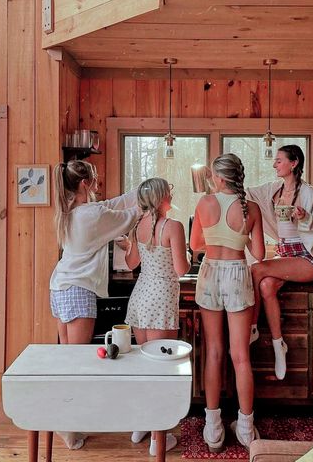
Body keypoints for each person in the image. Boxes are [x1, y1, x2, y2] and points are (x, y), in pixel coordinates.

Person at [50, 160, 140, 449]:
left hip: (60, 288)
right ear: (85, 184)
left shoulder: (71, 212)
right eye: (95, 180)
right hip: (78, 291)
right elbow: (128, 216)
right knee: (77, 365)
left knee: (67, 361)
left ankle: (69, 423)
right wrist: (150, 197)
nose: (98, 184)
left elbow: (115, 204)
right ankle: (66, 424)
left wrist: (140, 189)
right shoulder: (93, 214)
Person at [190, 153, 265, 452]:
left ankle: (213, 429)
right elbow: (258, 253)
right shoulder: (252, 209)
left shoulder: (204, 204)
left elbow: (195, 245)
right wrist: (240, 237)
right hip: (236, 274)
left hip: (209, 274)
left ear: (219, 178)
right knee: (240, 356)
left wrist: (215, 238)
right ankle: (245, 429)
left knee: (214, 353)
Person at [246, 145, 313, 381]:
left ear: (293, 163)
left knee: (256, 268)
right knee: (265, 286)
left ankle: (252, 327)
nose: (275, 165)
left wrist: (305, 218)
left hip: (308, 258)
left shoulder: (308, 193)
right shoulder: (274, 190)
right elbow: (247, 193)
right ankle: (278, 345)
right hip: (285, 255)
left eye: (279, 161)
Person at [120, 177, 190, 456]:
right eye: (169, 192)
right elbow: (182, 269)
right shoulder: (173, 226)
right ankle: (156, 441)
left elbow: (131, 264)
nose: (171, 195)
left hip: (140, 299)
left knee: (143, 367)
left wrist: (129, 246)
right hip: (161, 299)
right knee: (161, 371)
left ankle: (141, 425)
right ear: (162, 198)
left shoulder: (139, 226)